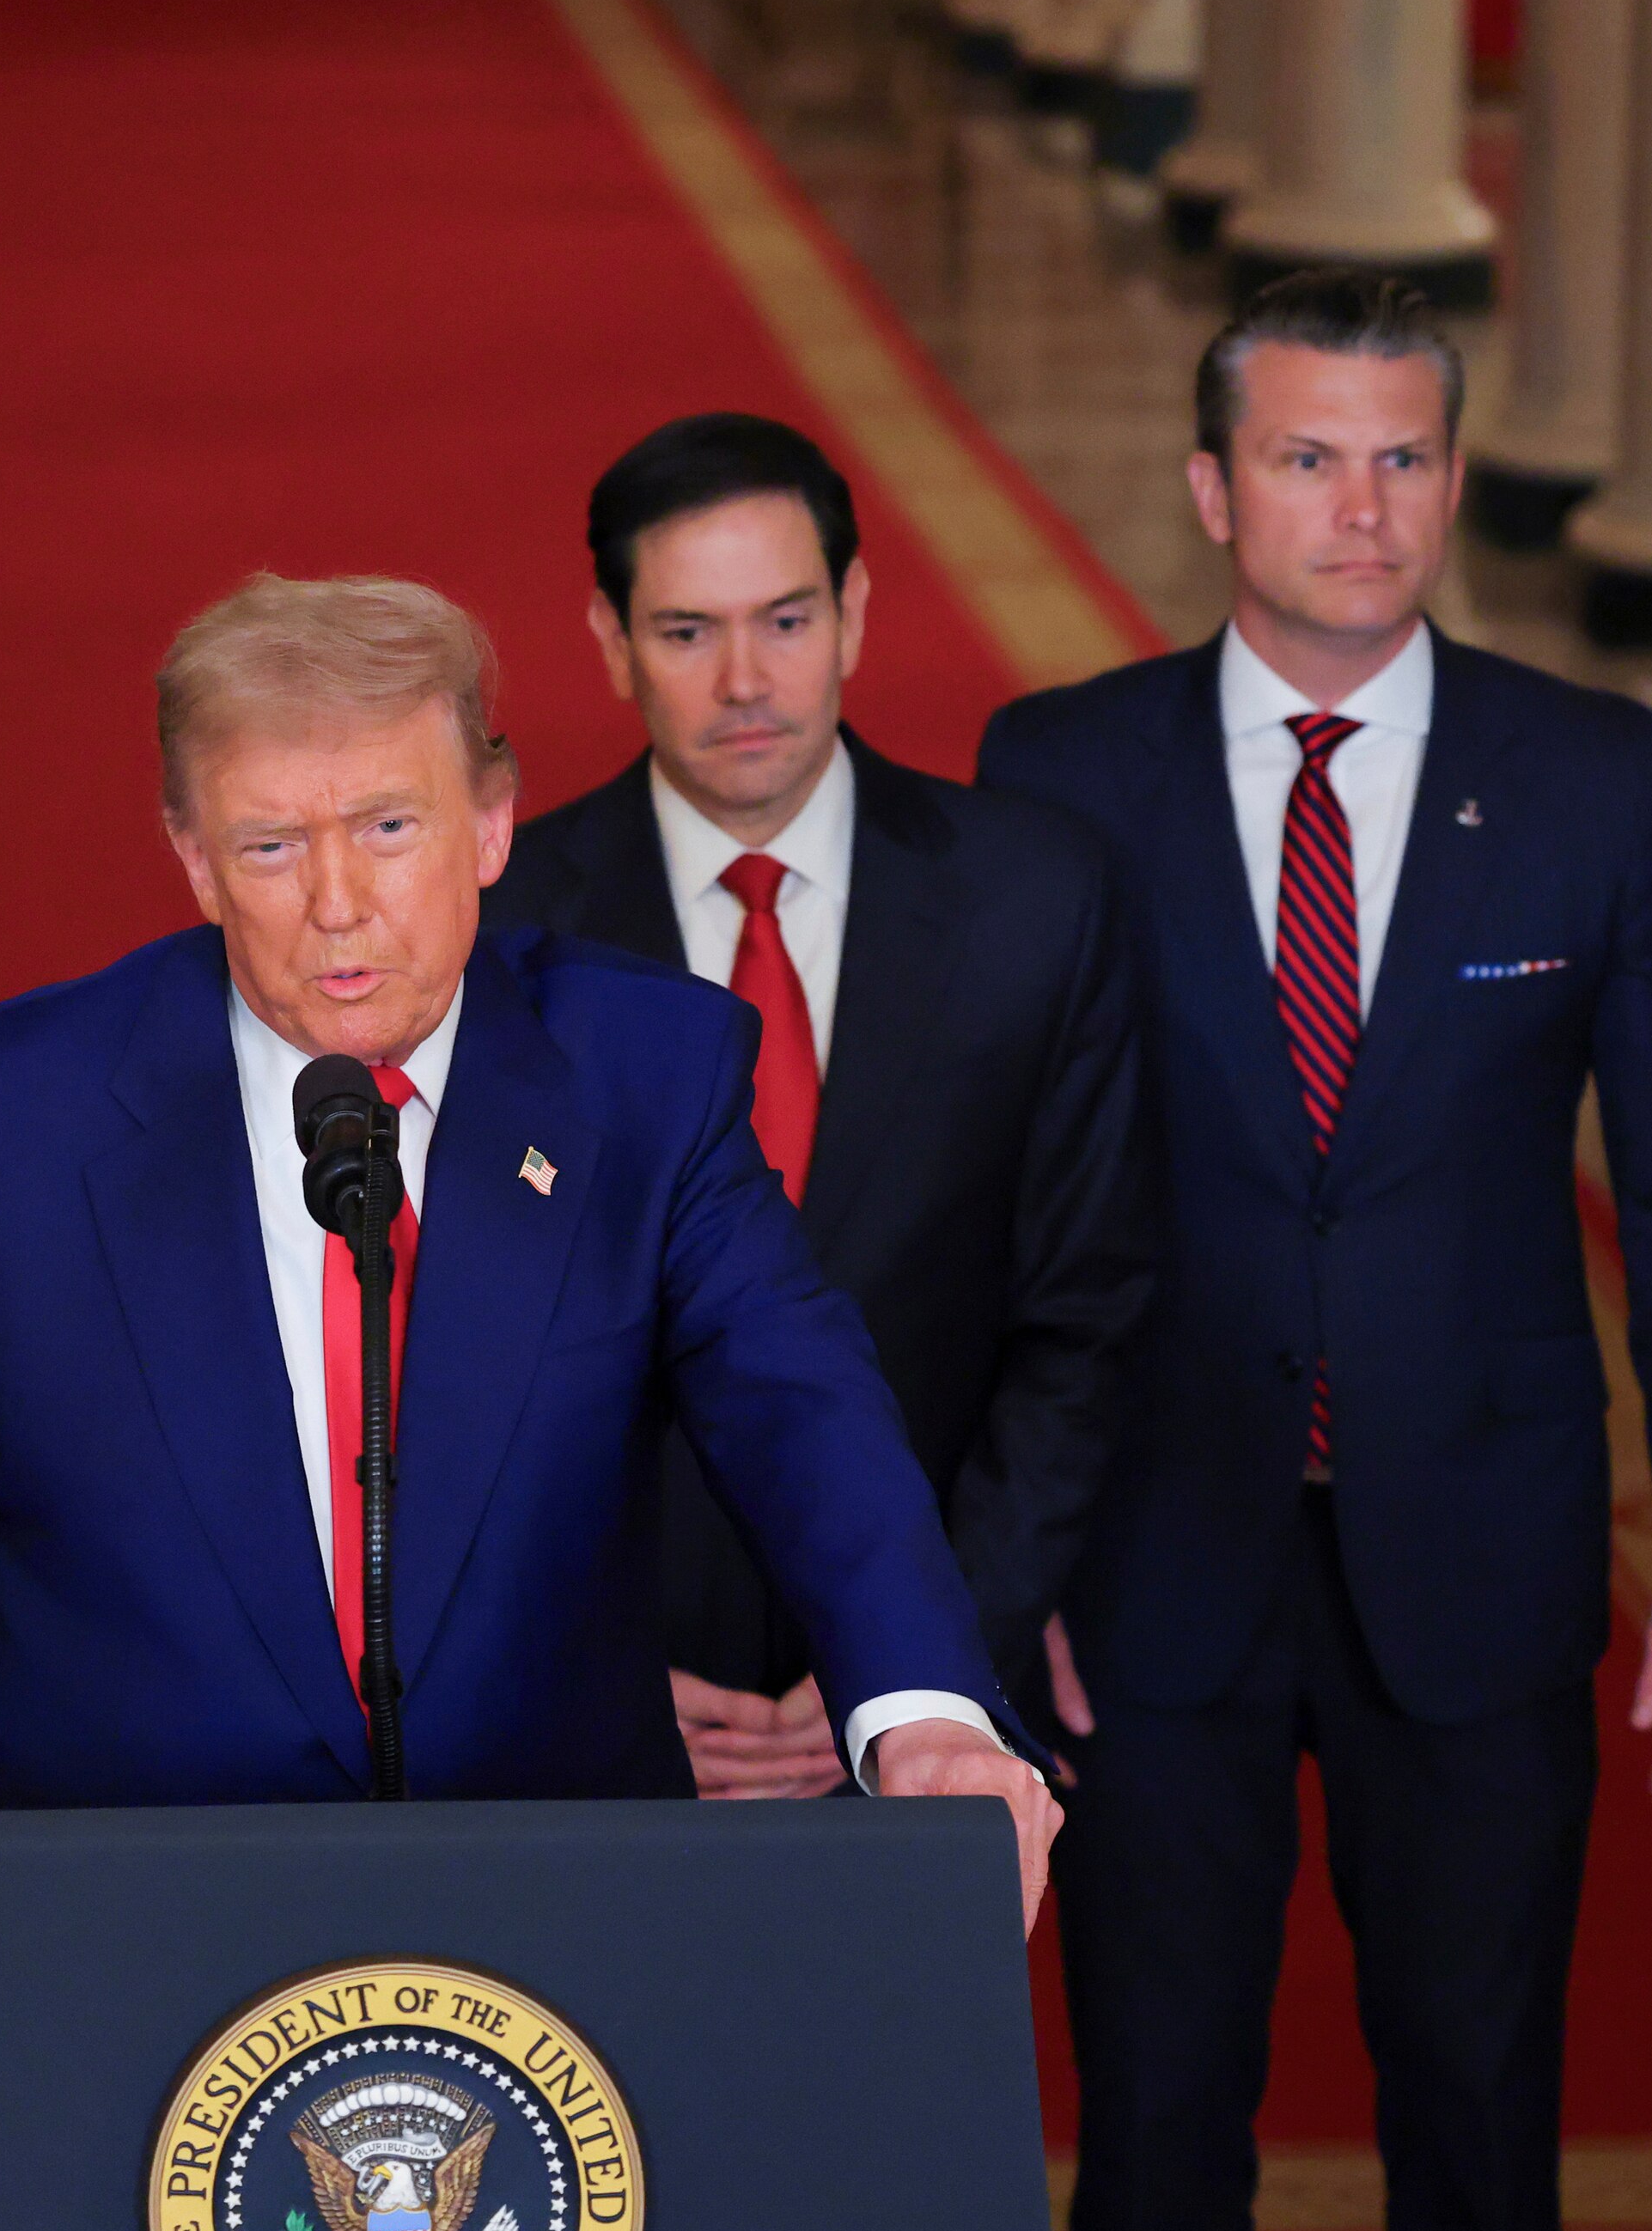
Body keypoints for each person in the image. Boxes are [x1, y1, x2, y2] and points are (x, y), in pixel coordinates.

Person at [975, 270, 1652, 2231]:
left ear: (1453, 477)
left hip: (1486, 1565)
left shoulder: (1594, 777)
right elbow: (990, 1207)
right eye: (1314, 459)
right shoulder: (1061, 773)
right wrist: (989, 1563)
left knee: (1474, 2128)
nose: (1367, 506)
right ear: (1219, 490)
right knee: (1153, 2145)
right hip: (1150, 1576)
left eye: (1408, 456)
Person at [0, 572, 1057, 1984]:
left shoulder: (650, 1079)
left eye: (390, 828)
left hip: (547, 1925)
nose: (338, 905)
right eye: (271, 846)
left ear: (491, 822)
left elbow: (804, 1417)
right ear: (194, 859)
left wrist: (925, 1711)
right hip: (94, 1933)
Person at [489, 411, 1155, 1796]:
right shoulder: (505, 941)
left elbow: (1082, 1321)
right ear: (609, 643)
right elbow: (458, 1358)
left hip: (939, 1717)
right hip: (613, 1715)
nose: (745, 680)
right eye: (685, 633)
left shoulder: (1041, 898)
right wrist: (590, 1672)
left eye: (785, 619)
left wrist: (921, 1665)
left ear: (853, 613)